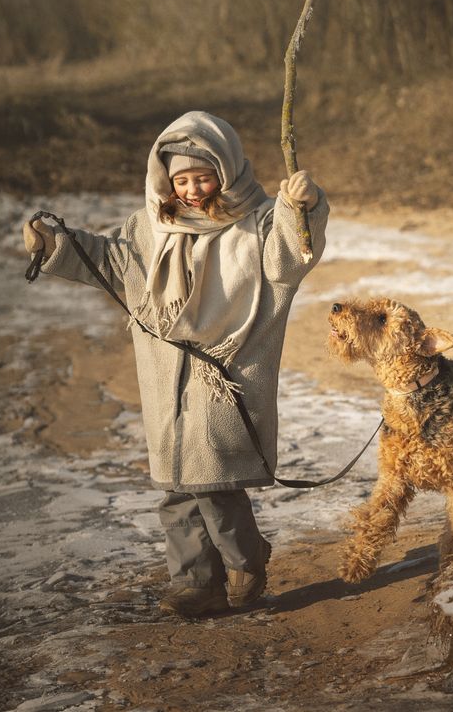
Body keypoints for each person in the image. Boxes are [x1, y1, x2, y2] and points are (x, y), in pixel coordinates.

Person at [23, 110, 328, 616]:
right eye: (180, 179)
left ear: (227, 169)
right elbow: (110, 259)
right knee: (175, 490)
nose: (190, 189)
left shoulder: (258, 221)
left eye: (202, 177)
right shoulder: (149, 226)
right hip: (165, 375)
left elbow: (291, 257)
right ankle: (195, 585)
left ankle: (246, 562)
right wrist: (54, 243)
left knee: (216, 485)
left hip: (225, 371)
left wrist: (306, 209)